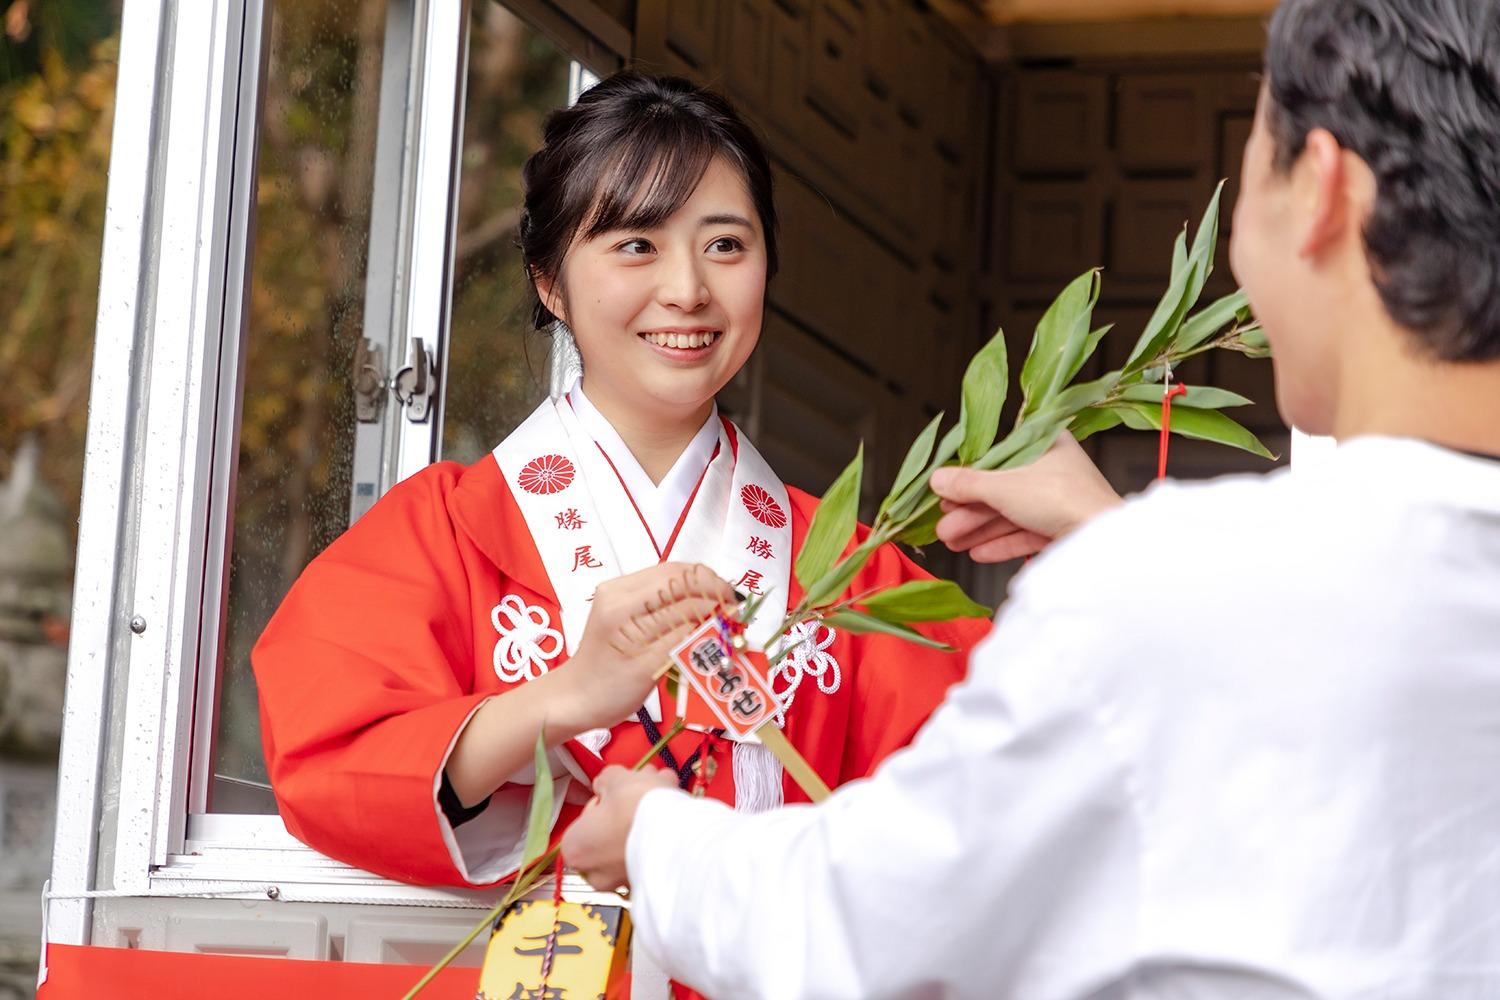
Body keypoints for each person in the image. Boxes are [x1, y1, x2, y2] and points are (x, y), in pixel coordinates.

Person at [559, 2, 1500, 997]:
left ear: (1318, 191)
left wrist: (656, 839)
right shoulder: (1189, 585)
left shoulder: (1155, 588)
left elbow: (873, 928)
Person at [251, 73, 1111, 994]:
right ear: (549, 278)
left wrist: (1105, 540)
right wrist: (560, 699)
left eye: (727, 245)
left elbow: (1038, 779)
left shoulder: (851, 573)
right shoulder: (446, 530)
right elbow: (329, 758)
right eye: (635, 243)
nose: (688, 289)